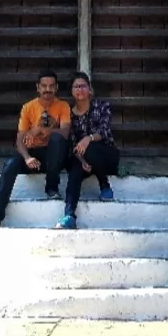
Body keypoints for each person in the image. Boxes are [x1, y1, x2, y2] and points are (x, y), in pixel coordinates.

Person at [0, 71, 71, 227]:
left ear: (56, 88)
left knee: (57, 139)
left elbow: (65, 133)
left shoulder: (63, 106)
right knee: (10, 165)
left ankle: (52, 188)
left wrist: (40, 130)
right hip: (32, 154)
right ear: (38, 88)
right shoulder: (28, 107)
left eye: (51, 86)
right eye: (44, 86)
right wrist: (27, 157)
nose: (48, 89)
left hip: (53, 157)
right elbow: (20, 140)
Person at [58, 72, 120, 229]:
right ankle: (69, 215)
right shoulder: (69, 115)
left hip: (106, 156)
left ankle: (104, 185)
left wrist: (88, 138)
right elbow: (72, 144)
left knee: (91, 148)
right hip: (83, 158)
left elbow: (105, 131)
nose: (80, 89)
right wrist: (82, 161)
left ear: (90, 89)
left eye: (83, 86)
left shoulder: (102, 106)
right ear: (72, 91)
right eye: (76, 87)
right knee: (74, 172)